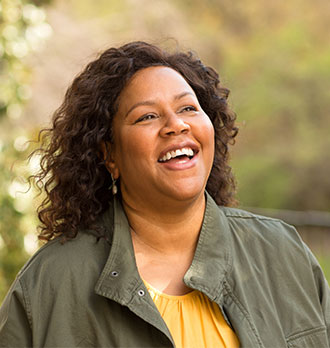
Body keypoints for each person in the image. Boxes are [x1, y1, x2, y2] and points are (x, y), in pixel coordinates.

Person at [0, 41, 329, 348]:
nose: (176, 125)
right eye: (147, 116)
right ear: (109, 155)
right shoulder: (50, 285)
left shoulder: (283, 253)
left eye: (188, 108)